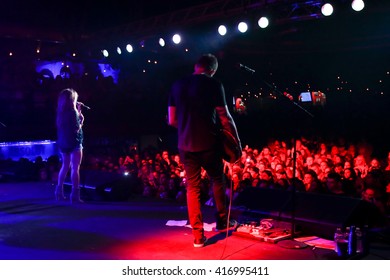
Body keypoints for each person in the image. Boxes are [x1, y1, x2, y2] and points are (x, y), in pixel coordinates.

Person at [168, 53, 241, 248]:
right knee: (217, 180)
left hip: (185, 144)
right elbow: (225, 116)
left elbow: (172, 120)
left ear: (196, 66)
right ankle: (223, 222)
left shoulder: (177, 85)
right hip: (209, 143)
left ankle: (198, 237)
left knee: (192, 188)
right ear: (213, 70)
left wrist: (187, 128)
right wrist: (236, 141)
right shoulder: (214, 84)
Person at [55, 88, 85, 203]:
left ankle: (59, 191)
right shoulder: (72, 112)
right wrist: (82, 121)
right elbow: (76, 129)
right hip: (74, 141)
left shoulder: (60, 111)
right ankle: (75, 195)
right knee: (75, 168)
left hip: (63, 142)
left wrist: (79, 112)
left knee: (65, 166)